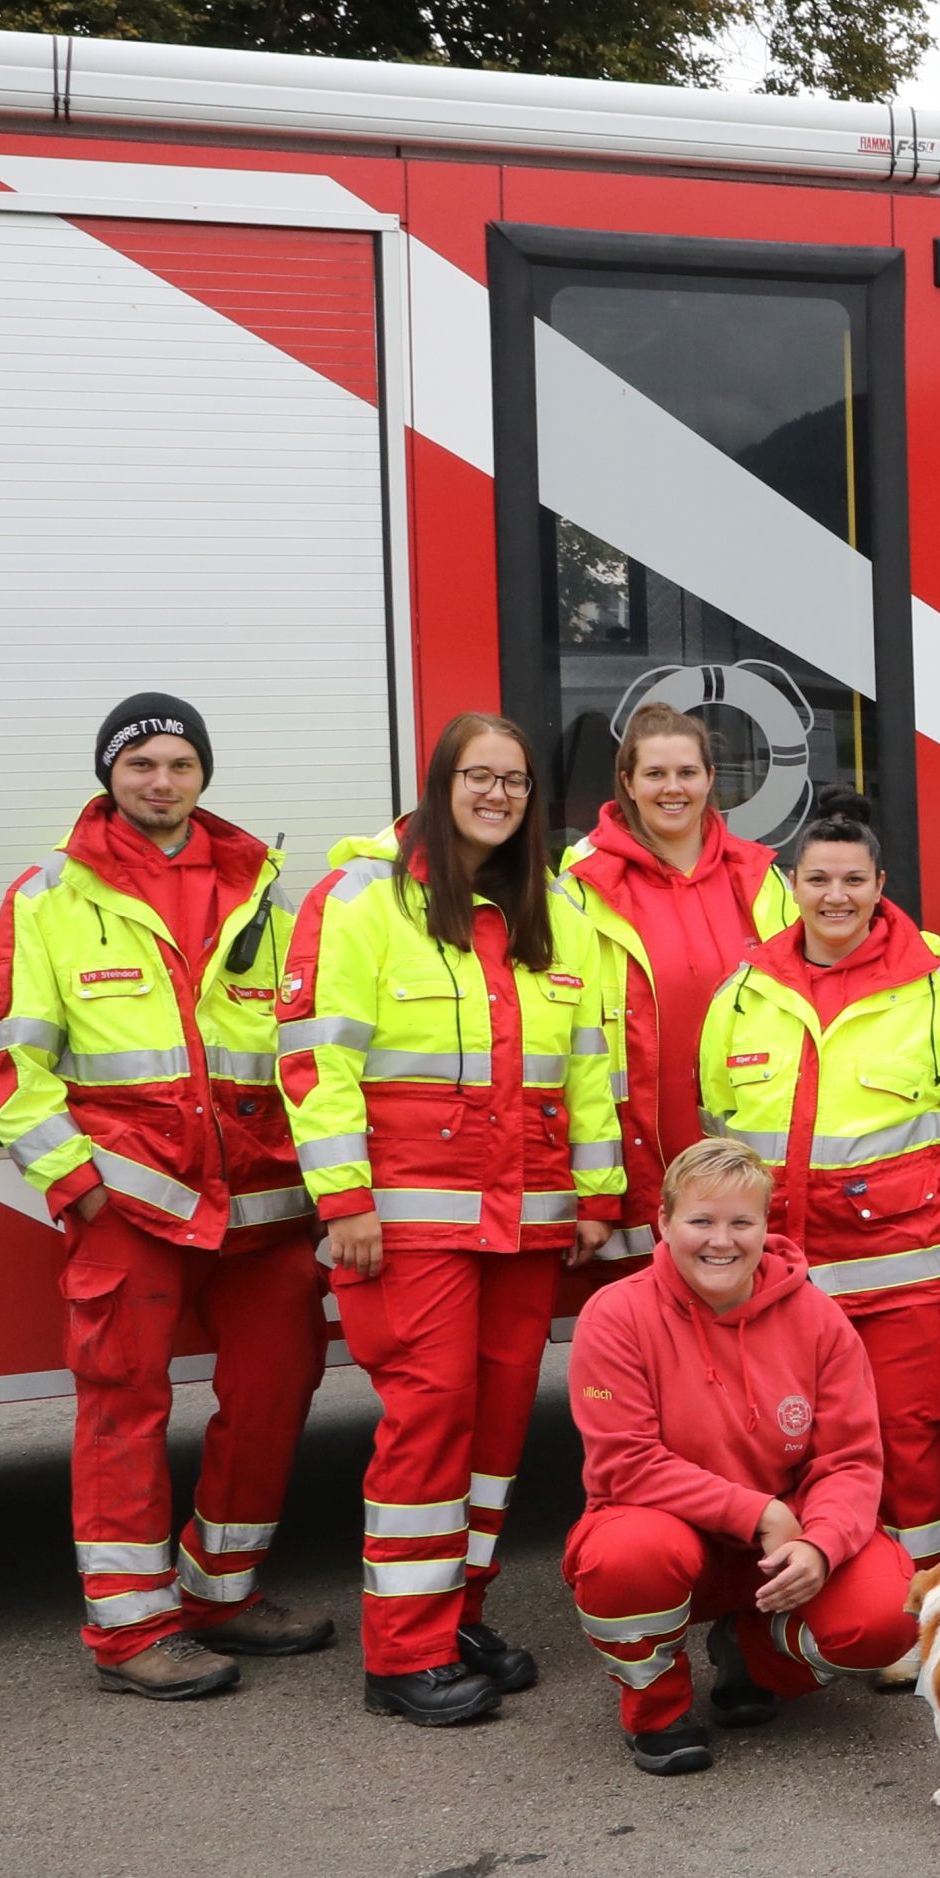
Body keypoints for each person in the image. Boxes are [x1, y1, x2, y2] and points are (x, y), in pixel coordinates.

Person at [0, 694, 334, 1699]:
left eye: (178, 763)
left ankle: (221, 1590)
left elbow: (304, 1048)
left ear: (202, 774)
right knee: (123, 1409)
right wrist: (78, 1186)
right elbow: (10, 1065)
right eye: (140, 765)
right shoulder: (50, 896)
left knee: (276, 1388)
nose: (161, 780)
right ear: (109, 777)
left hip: (262, 1205)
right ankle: (131, 1632)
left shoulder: (261, 891)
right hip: (130, 1203)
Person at [277, 711, 623, 1726]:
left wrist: (597, 1195)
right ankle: (403, 1653)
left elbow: (589, 1064)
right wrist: (344, 1202)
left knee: (497, 1429)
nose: (496, 795)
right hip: (409, 1219)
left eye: (514, 781)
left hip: (525, 1221)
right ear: (441, 783)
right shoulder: (362, 898)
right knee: (428, 1423)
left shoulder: (551, 907)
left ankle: (456, 1613)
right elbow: (315, 1058)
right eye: (478, 776)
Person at [697, 797, 940, 1593]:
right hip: (776, 1277)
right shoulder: (742, 992)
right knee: (776, 1444)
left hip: (904, 1275)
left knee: (906, 1440)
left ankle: (925, 1614)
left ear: (880, 886)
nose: (835, 896)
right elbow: (719, 1127)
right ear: (792, 886)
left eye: (853, 880)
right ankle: (798, 1605)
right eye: (818, 879)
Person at [561, 1138, 917, 1774]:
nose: (719, 1240)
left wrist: (821, 1545)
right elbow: (626, 1463)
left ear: (764, 1227)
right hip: (671, 1535)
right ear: (663, 1224)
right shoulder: (614, 1316)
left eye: (740, 1222)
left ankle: (752, 1659)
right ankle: (658, 1708)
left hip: (782, 1544)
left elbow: (850, 1461)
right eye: (700, 1220)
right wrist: (759, 1513)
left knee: (890, 1618)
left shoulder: (818, 1318)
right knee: (626, 1556)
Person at [560, 702, 794, 1253]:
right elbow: (564, 1040)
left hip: (745, 1155)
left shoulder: (761, 878)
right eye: (655, 774)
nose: (674, 788)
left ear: (711, 779)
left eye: (687, 772)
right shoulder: (579, 888)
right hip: (629, 1157)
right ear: (627, 783)